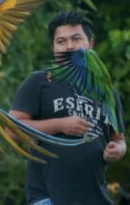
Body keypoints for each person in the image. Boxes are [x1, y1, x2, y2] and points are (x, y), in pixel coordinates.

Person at [9, 11, 126, 205]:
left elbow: (119, 140)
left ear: (91, 43)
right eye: (61, 41)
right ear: (54, 48)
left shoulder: (106, 91)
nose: (69, 46)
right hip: (48, 198)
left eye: (76, 38)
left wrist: (117, 150)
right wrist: (60, 124)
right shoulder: (38, 82)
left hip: (97, 198)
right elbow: (11, 130)